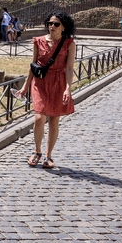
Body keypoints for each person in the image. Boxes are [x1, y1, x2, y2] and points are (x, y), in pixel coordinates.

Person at [16, 11, 76, 169]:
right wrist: (24, 87)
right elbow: (33, 66)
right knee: (39, 118)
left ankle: (49, 156)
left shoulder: (69, 43)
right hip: (40, 83)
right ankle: (37, 151)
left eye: (56, 24)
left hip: (58, 83)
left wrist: (68, 89)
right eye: (50, 23)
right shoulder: (38, 41)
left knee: (54, 121)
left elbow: (69, 68)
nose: (52, 26)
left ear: (63, 26)